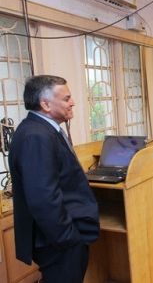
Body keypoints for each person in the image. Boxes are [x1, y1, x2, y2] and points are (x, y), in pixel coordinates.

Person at [8, 75, 100, 283]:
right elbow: (43, 198)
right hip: (58, 242)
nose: (73, 102)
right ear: (46, 104)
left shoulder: (43, 129)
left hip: (59, 238)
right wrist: (69, 239)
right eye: (67, 98)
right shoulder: (36, 136)